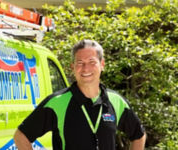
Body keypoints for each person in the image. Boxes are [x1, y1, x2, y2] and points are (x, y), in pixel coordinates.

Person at [14, 40, 146, 150]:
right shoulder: (57, 102)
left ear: (102, 64)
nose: (86, 68)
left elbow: (138, 135)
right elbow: (21, 136)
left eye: (92, 62)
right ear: (73, 67)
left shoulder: (116, 101)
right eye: (80, 63)